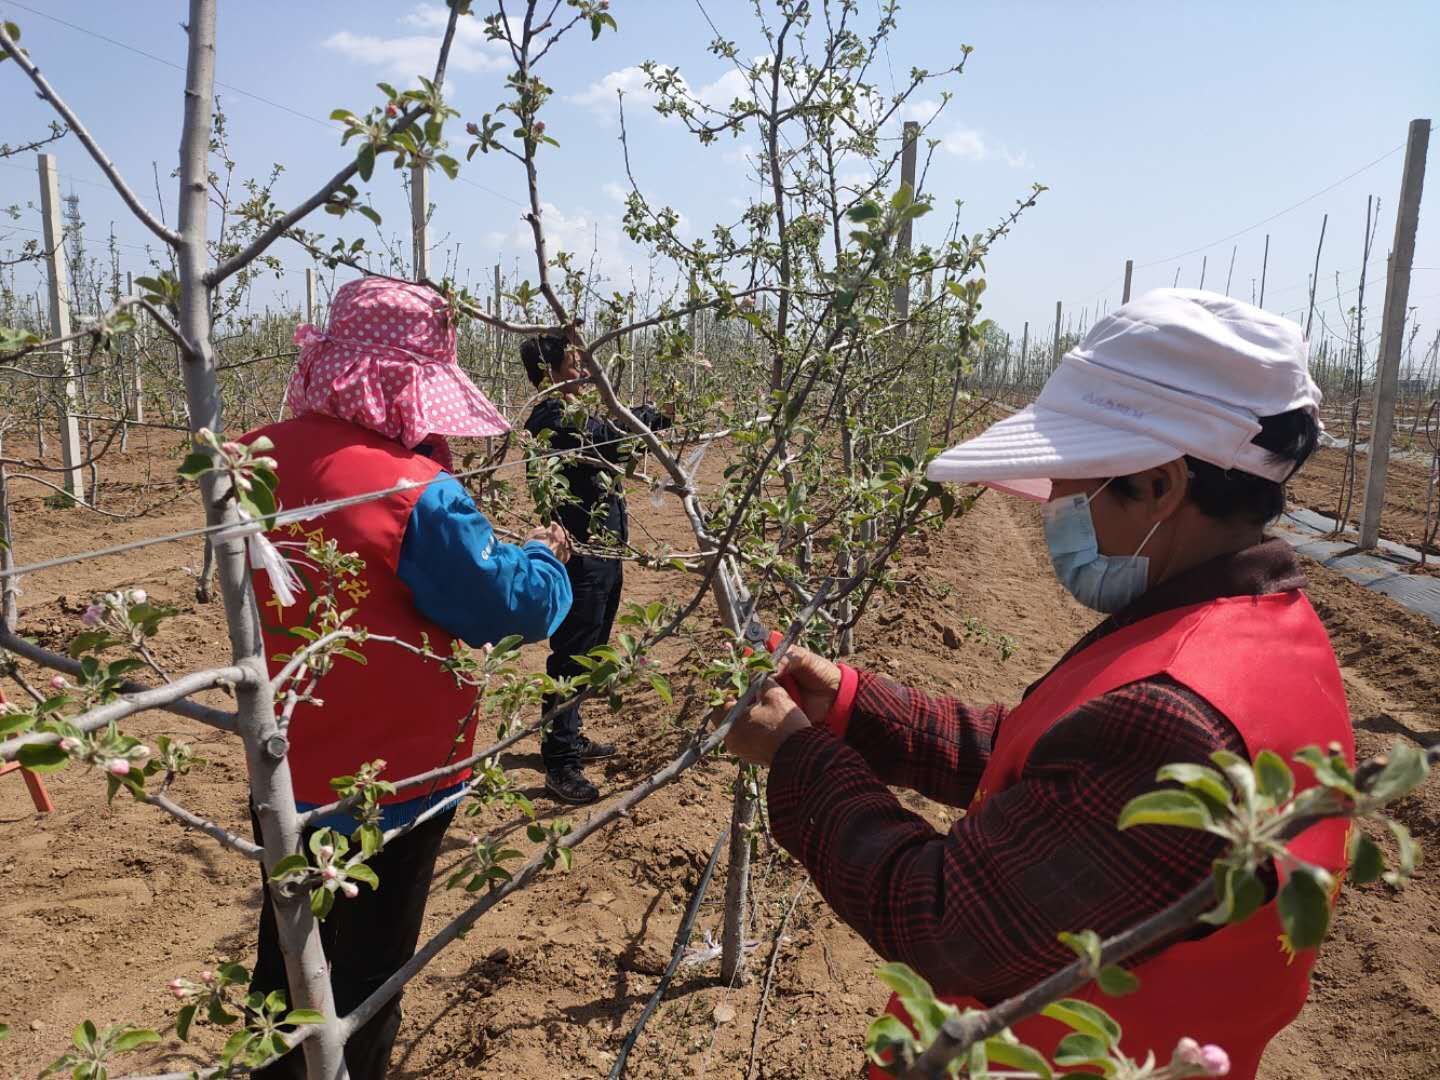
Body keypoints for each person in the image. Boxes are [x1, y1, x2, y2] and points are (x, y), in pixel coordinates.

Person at [725, 290, 1354, 1079]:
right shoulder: (1255, 629)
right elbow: (1060, 771)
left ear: (1159, 486)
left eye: (1070, 480)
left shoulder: (1176, 714)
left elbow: (945, 923)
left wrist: (799, 760)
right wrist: (852, 704)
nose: (1051, 502)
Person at [242, 277, 573, 1080]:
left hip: (286, 764)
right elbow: (510, 607)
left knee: (288, 956)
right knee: (363, 978)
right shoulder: (413, 494)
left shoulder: (251, 459)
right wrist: (543, 559)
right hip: (392, 782)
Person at [522, 334, 672, 804]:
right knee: (571, 657)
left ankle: (570, 735)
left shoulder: (577, 415)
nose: (585, 369)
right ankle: (560, 763)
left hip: (605, 553)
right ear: (550, 372)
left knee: (592, 651)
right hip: (581, 558)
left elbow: (612, 438)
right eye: (574, 361)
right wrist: (647, 418)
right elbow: (614, 438)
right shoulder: (551, 418)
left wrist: (656, 414)